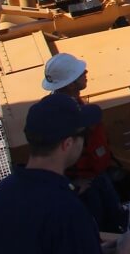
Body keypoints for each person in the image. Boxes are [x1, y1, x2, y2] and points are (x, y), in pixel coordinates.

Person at [0, 93, 130, 254]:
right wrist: (125, 251)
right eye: (83, 135)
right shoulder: (66, 211)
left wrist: (94, 251)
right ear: (67, 144)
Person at [42, 53, 125, 233]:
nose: (86, 72)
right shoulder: (60, 118)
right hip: (87, 188)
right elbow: (49, 158)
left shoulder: (65, 106)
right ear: (71, 84)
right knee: (101, 230)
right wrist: (70, 185)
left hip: (95, 179)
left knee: (114, 220)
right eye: (80, 73)